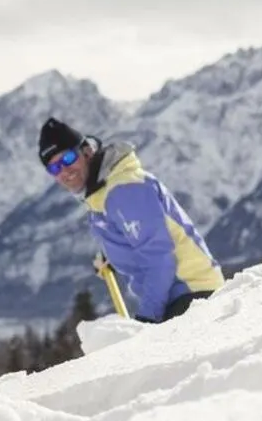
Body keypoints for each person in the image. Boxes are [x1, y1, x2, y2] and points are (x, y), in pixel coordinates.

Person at [37, 118, 222, 323]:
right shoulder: (102, 194)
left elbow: (159, 259)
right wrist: (116, 258)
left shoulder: (124, 190)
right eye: (54, 169)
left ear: (87, 152)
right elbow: (140, 240)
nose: (64, 171)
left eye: (68, 158)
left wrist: (148, 317)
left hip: (193, 296)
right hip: (179, 296)